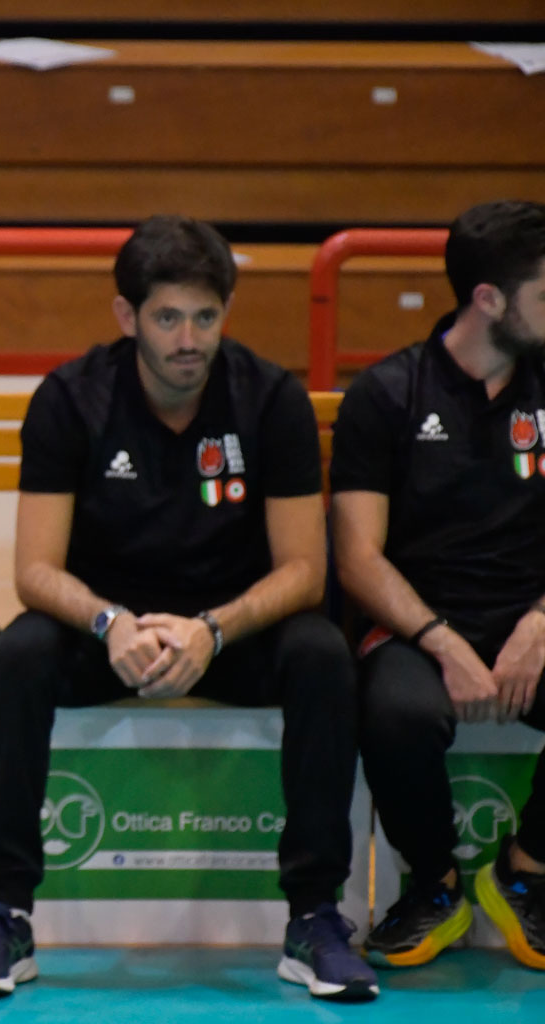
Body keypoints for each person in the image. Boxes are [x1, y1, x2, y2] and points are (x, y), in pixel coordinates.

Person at [0, 215, 376, 1002]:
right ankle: (4, 912)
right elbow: (34, 571)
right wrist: (111, 623)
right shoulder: (71, 399)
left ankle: (315, 915)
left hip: (230, 631)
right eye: (169, 318)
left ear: (226, 313)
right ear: (128, 316)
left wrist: (213, 630)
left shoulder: (269, 399)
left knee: (321, 654)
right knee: (18, 656)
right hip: (108, 633)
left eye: (205, 317)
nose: (189, 339)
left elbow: (305, 571)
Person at [331, 199, 545, 972]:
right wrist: (441, 641)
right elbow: (358, 557)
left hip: (531, 617)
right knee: (396, 713)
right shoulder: (388, 393)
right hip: (416, 624)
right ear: (489, 299)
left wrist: (540, 623)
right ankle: (435, 883)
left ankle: (525, 870)